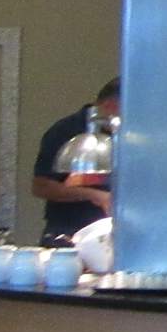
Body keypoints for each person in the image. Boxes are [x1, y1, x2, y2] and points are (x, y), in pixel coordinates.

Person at [32, 77, 118, 245]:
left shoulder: (127, 135)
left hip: (112, 235)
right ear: (109, 106)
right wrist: (95, 195)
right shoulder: (65, 131)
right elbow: (41, 186)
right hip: (68, 233)